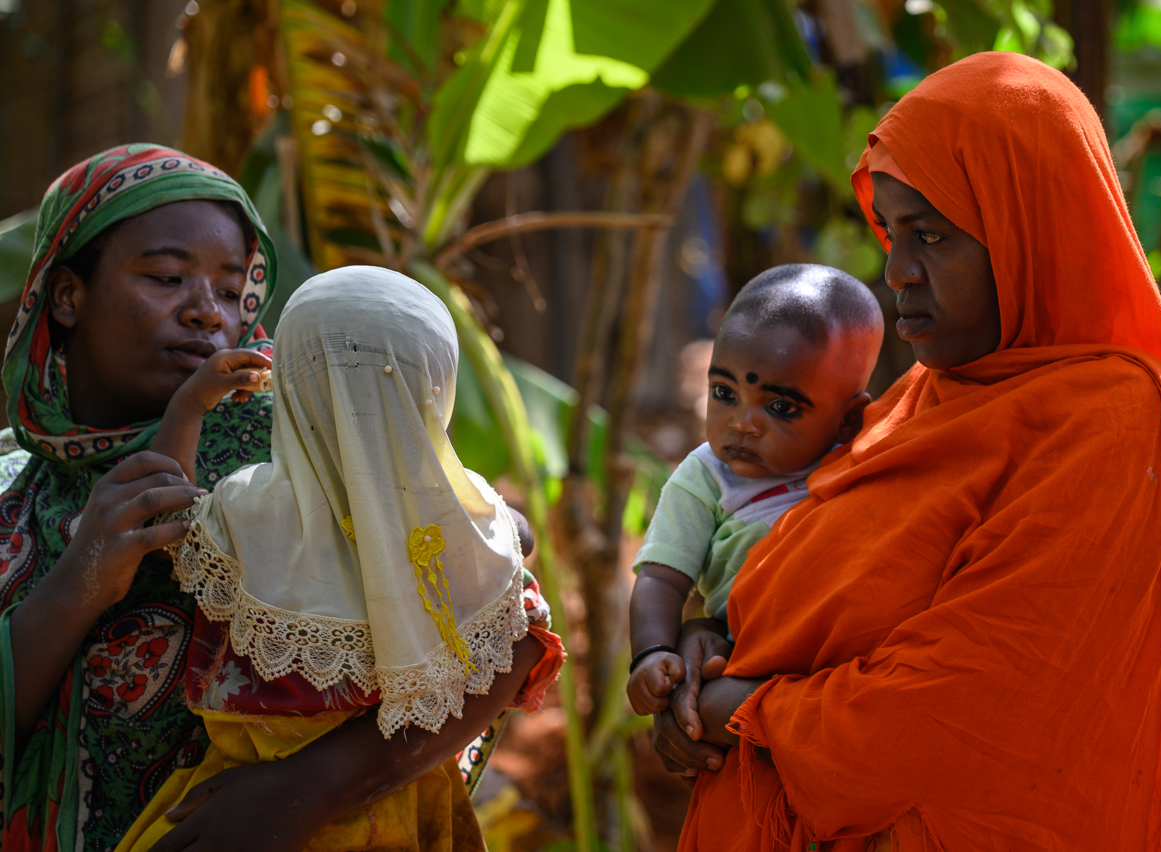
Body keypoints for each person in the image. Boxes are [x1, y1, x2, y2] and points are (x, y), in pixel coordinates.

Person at [654, 53, 1161, 851]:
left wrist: (741, 711)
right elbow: (800, 565)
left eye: (932, 236)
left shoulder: (1113, 424)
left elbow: (966, 700)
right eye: (891, 231)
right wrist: (710, 639)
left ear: (1030, 228)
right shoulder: (928, 395)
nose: (897, 272)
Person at [0, 145, 547, 852]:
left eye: (232, 291)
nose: (205, 313)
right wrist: (81, 579)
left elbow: (509, 636)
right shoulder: (12, 484)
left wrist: (309, 789)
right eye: (168, 278)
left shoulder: (307, 451)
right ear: (68, 295)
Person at [112, 265, 562, 851]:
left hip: (237, 804)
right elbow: (523, 642)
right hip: (402, 806)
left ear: (290, 387)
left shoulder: (249, 508)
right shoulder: (469, 520)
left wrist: (189, 408)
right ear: (438, 386)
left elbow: (163, 517)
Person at [626, 265, 881, 727]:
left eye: (780, 407)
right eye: (724, 392)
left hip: (845, 673)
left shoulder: (864, 463)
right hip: (745, 661)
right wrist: (653, 650)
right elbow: (662, 579)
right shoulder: (704, 479)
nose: (742, 422)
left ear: (847, 421)